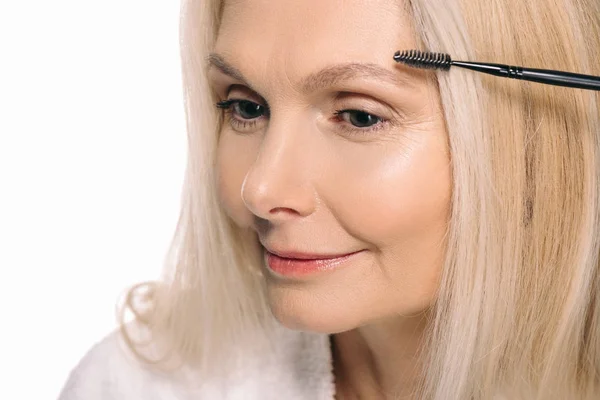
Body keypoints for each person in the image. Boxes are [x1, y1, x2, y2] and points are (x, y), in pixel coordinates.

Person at [58, 0, 600, 399]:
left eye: (360, 116)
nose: (263, 189)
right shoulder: (137, 385)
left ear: (540, 152)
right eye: (245, 107)